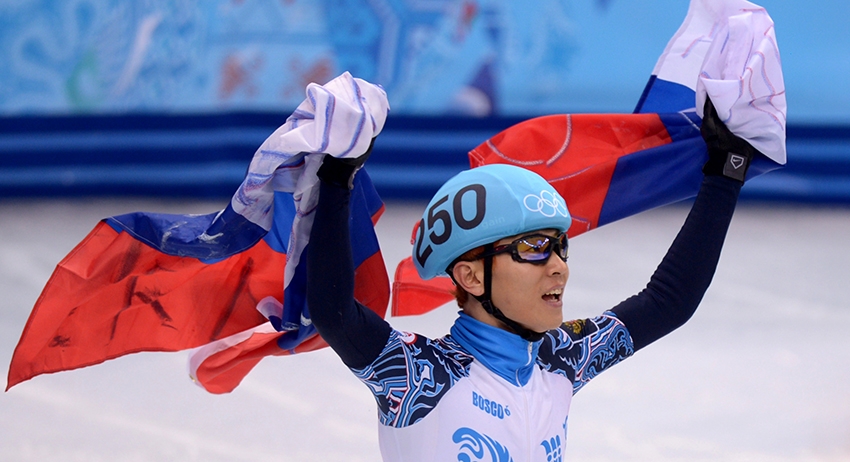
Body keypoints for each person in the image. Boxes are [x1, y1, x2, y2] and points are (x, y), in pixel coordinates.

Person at [305, 98, 757, 461]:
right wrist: (338, 177)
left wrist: (727, 171)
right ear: (471, 277)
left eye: (560, 246)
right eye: (534, 248)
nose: (558, 266)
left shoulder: (560, 358)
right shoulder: (421, 375)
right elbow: (334, 312)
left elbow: (668, 302)